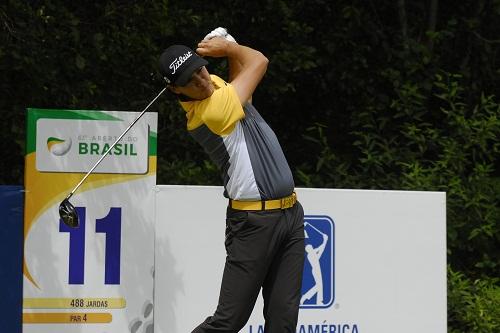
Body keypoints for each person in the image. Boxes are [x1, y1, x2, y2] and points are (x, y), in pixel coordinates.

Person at [159, 27, 305, 333]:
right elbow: (260, 61)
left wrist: (230, 50)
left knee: (283, 319)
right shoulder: (210, 112)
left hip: (291, 215)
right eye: (190, 81)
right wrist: (229, 48)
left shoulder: (213, 86)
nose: (201, 81)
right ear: (176, 91)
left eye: (200, 71)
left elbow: (245, 90)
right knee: (228, 322)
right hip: (253, 224)